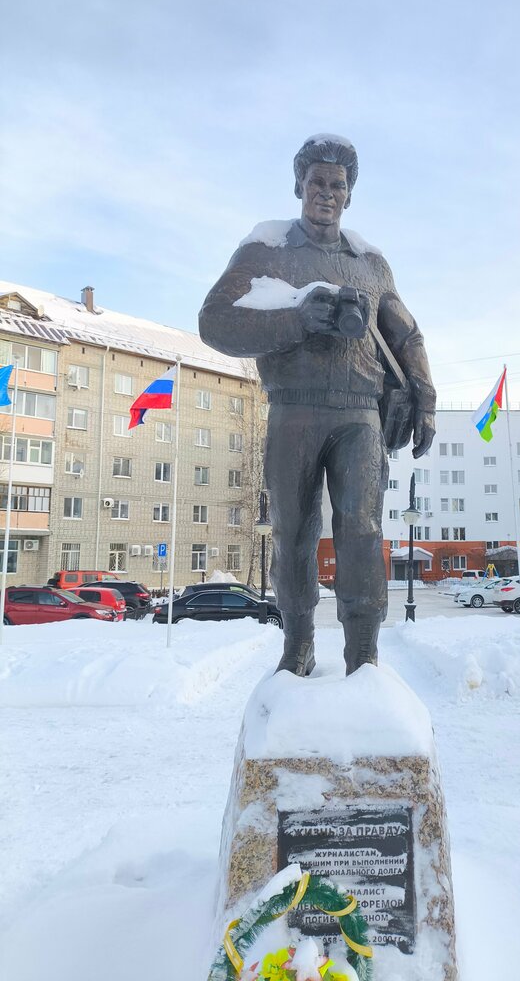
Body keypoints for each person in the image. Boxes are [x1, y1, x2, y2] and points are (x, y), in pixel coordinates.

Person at [199, 134, 436, 676]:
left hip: (359, 412)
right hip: (294, 408)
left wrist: (425, 394)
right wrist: (298, 316)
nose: (326, 193)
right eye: (316, 183)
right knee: (294, 528)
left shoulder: (370, 264)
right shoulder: (267, 252)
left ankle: (364, 657)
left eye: (337, 185)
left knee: (361, 527)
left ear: (349, 195)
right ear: (299, 187)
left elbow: (407, 334)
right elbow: (215, 322)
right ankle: (297, 647)